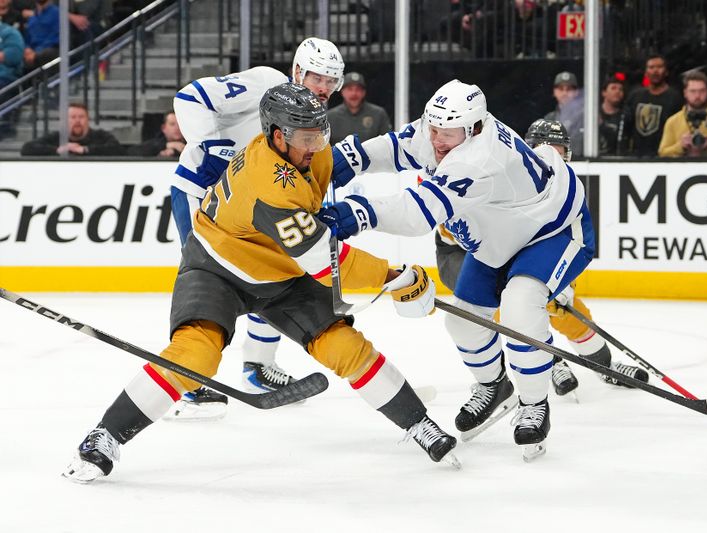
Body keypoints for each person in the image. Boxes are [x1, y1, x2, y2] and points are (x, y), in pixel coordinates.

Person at [62, 83, 458, 483]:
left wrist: (429, 143)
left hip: (281, 271)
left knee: (345, 347)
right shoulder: (270, 183)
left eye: (320, 134)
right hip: (216, 267)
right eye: (307, 137)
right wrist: (394, 277)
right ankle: (104, 436)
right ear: (276, 135)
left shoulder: (309, 151)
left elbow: (352, 159)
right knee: (194, 355)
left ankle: (418, 424)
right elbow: (324, 260)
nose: (316, 145)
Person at [320, 80, 595, 459]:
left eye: (445, 134)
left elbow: (419, 211)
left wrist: (360, 212)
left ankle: (534, 403)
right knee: (463, 321)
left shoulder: (480, 158)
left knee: (519, 307)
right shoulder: (449, 128)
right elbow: (401, 145)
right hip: (502, 232)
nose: (435, 140)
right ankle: (494, 386)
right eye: (433, 129)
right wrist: (352, 157)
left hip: (553, 229)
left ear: (474, 129)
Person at [167, 37, 347, 419]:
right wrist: (213, 146)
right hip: (203, 194)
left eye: (332, 81)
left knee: (272, 273)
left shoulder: (308, 115)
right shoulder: (265, 82)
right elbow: (188, 97)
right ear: (298, 70)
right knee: (208, 280)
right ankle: (188, 374)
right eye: (317, 77)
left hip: (248, 205)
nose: (324, 88)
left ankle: (257, 366)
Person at [434, 118, 647, 399]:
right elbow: (475, 235)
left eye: (557, 150)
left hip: (506, 249)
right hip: (464, 254)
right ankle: (543, 365)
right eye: (543, 149)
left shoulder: (563, 187)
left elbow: (565, 242)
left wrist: (562, 285)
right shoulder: (508, 178)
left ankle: (603, 365)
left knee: (564, 310)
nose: (551, 157)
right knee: (512, 304)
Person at [658, 70, 707, 158]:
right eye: (693, 91)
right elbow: (663, 153)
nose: (697, 96)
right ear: (685, 93)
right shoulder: (673, 121)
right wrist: (681, 146)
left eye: (702, 91)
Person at [625, 54, 683, 157]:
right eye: (651, 67)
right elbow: (627, 127)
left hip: (664, 155)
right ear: (646, 72)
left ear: (666, 71)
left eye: (659, 67)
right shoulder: (635, 96)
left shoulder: (675, 97)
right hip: (637, 156)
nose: (655, 71)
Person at [20, 101, 124, 155]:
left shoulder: (100, 136)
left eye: (81, 117)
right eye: (73, 117)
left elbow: (118, 150)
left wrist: (85, 150)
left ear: (88, 120)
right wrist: (57, 150)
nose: (77, 121)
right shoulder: (57, 137)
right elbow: (27, 148)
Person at [327, 72, 391, 145]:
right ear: (342, 92)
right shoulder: (330, 117)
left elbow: (387, 144)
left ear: (364, 92)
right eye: (350, 89)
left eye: (358, 89)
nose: (354, 93)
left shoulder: (379, 114)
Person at [544, 71, 583, 158]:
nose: (565, 93)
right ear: (554, 92)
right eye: (561, 89)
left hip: (582, 166)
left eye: (569, 89)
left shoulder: (586, 118)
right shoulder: (548, 119)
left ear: (576, 92)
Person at [22, 0, 58, 69]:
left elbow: (54, 38)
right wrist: (27, 48)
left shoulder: (56, 13)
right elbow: (27, 37)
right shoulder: (32, 18)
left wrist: (36, 52)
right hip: (32, 51)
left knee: (45, 54)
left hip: (48, 51)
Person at [598, 76, 627, 156]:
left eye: (620, 89)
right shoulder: (593, 114)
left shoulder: (625, 117)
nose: (617, 91)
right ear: (604, 92)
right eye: (613, 88)